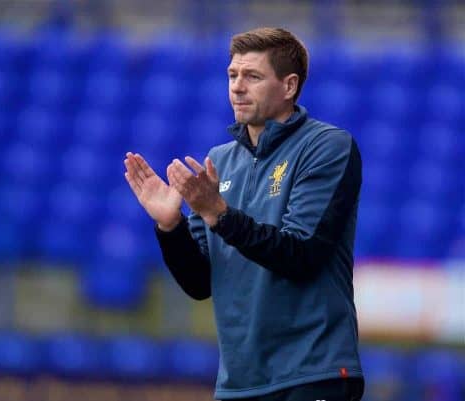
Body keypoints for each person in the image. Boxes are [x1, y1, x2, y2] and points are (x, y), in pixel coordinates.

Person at [124, 27, 364, 401]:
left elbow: (301, 255)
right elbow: (200, 282)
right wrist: (170, 227)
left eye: (252, 76)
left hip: (312, 371)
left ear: (289, 86)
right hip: (239, 383)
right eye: (232, 75)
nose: (237, 87)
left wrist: (218, 213)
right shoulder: (220, 160)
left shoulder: (327, 146)